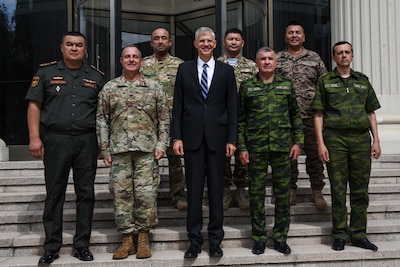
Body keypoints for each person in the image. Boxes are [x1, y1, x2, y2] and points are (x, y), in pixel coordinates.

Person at [25, 31, 105, 264]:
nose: (74, 48)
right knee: (55, 194)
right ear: (61, 47)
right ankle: (51, 246)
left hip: (86, 141)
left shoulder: (97, 77)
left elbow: (103, 113)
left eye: (79, 45)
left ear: (85, 49)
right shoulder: (46, 72)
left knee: (86, 194)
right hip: (56, 140)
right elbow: (34, 106)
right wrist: (34, 137)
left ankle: (82, 245)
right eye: (69, 44)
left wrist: (102, 142)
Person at [96, 45, 170, 260]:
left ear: (141, 61)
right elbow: (102, 120)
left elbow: (164, 118)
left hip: (147, 150)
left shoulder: (154, 87)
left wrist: (161, 145)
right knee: (121, 195)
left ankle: (144, 238)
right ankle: (127, 239)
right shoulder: (110, 88)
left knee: (146, 195)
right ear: (121, 60)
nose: (131, 60)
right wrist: (105, 149)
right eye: (127, 57)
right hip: (119, 150)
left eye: (135, 57)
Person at [172, 26, 237, 258]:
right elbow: (177, 107)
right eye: (202, 41)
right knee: (195, 192)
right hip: (191, 140)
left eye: (210, 41)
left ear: (215, 43)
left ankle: (216, 240)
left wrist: (232, 138)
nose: (206, 44)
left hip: (218, 139)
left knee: (217, 192)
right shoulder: (184, 70)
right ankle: (194, 241)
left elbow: (232, 107)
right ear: (196, 44)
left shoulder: (226, 71)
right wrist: (176, 137)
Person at [312, 41, 381, 252]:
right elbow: (318, 114)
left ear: (352, 56)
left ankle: (359, 234)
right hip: (335, 140)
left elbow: (371, 112)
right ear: (333, 58)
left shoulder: (362, 81)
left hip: (360, 140)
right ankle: (340, 234)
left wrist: (376, 140)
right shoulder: (325, 82)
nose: (343, 56)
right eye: (339, 53)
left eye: (347, 52)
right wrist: (320, 143)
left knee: (360, 191)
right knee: (338, 189)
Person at [237, 47, 303, 255]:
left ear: (276, 62)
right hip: (255, 147)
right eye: (263, 59)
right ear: (257, 62)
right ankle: (259, 238)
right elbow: (240, 120)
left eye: (270, 59)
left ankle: (280, 237)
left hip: (282, 147)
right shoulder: (247, 87)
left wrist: (297, 142)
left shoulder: (286, 85)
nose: (266, 62)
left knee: (282, 194)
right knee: (256, 194)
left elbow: (295, 116)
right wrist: (242, 147)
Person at [276, 21, 328, 209]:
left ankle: (317, 191)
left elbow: (324, 86)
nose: (294, 35)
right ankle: (290, 190)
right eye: (290, 32)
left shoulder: (314, 58)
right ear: (285, 36)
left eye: (298, 32)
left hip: (310, 116)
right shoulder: (277, 58)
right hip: (285, 118)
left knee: (315, 155)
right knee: (288, 156)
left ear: (304, 37)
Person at [141, 28, 187, 211]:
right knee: (148, 162)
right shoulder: (142, 65)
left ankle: (179, 195)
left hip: (173, 121)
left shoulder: (181, 65)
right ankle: (149, 198)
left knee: (176, 162)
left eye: (164, 38)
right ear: (151, 43)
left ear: (170, 42)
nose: (160, 41)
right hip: (149, 123)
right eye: (156, 39)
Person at [217, 28, 258, 210]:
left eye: (237, 39)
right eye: (230, 39)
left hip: (245, 117)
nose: (233, 42)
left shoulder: (252, 66)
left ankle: (241, 189)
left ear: (243, 43)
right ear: (224, 42)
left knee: (243, 155)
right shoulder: (215, 64)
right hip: (221, 117)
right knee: (222, 156)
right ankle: (225, 190)